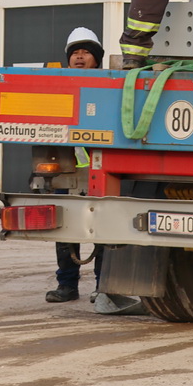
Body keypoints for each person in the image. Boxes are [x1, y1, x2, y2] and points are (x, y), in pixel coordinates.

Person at [45, 28, 145, 314]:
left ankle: (103, 286)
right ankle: (67, 285)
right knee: (65, 231)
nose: (79, 57)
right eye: (75, 53)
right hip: (67, 177)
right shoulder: (59, 87)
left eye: (86, 52)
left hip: (102, 175)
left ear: (96, 59)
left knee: (105, 231)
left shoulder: (108, 88)